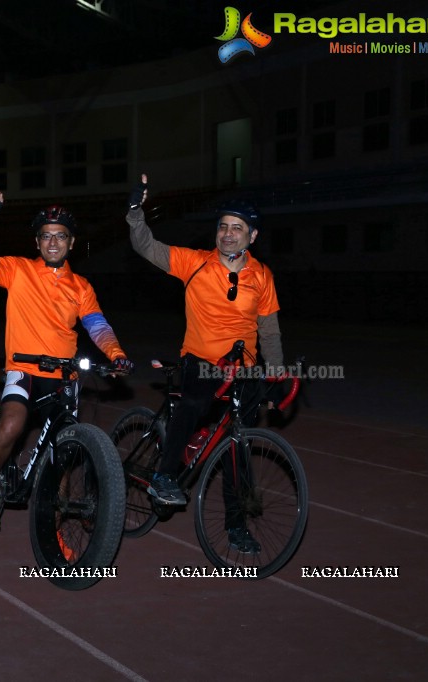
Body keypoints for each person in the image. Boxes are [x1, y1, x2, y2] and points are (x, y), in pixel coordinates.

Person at [125, 173, 283, 554]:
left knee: (238, 450)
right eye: (223, 227)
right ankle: (164, 475)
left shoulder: (261, 277)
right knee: (193, 404)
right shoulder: (192, 262)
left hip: (241, 370)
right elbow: (145, 245)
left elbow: (270, 332)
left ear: (253, 236)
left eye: (237, 228)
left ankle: (236, 526)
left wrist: (276, 374)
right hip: (201, 361)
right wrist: (134, 211)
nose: (228, 234)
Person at [0, 189, 132, 532]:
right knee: (10, 425)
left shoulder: (80, 286)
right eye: (46, 236)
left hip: (63, 376)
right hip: (23, 369)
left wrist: (116, 354)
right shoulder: (19, 270)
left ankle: (54, 528)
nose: (53, 242)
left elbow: (96, 324)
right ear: (37, 242)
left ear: (71, 243)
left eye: (60, 236)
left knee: (65, 452)